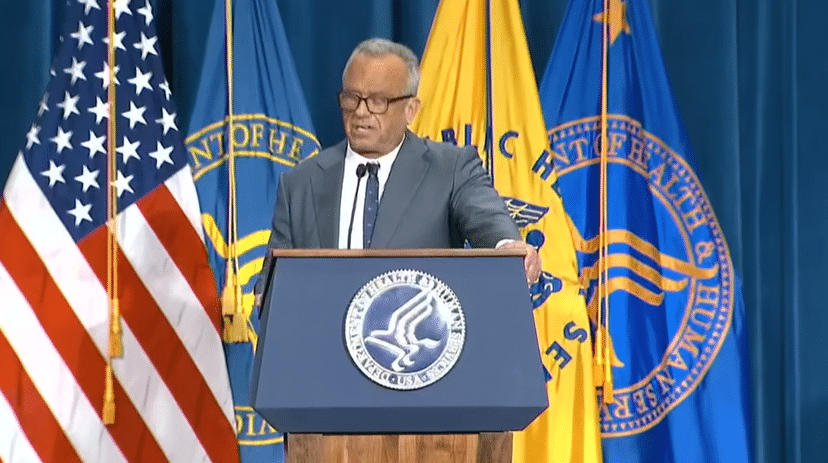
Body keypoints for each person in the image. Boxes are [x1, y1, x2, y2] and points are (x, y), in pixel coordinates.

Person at [255, 38, 540, 297]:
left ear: (411, 110)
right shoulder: (300, 184)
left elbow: (486, 216)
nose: (361, 112)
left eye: (377, 101)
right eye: (352, 98)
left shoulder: (451, 169)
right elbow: (271, 289)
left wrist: (508, 246)